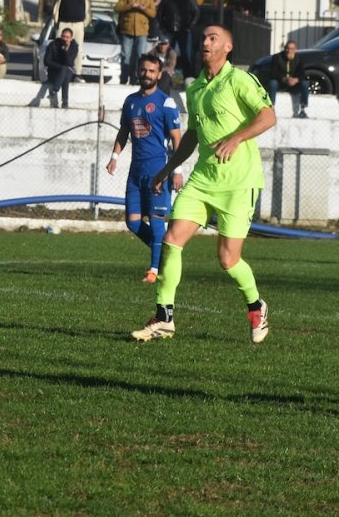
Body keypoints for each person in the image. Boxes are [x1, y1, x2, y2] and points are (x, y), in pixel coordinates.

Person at [132, 24, 276, 344]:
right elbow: (193, 136)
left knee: (227, 260)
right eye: (204, 39)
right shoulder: (196, 87)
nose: (206, 43)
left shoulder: (240, 80)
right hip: (202, 179)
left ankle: (256, 306)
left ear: (228, 47)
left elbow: (268, 117)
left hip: (239, 182)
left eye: (214, 39)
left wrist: (237, 138)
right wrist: (167, 168)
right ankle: (164, 317)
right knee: (171, 240)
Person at [106, 55, 183, 283]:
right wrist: (114, 157)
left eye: (151, 71)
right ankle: (164, 252)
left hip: (158, 171)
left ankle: (154, 270)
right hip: (135, 171)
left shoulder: (166, 103)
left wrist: (177, 171)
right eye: (144, 70)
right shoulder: (130, 101)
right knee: (133, 222)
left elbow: (177, 140)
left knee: (157, 221)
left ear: (159, 75)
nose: (146, 74)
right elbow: (124, 131)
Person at [52, 0, 92, 80]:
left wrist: (86, 20)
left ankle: (77, 73)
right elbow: (56, 4)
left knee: (78, 49)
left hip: (78, 24)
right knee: (59, 48)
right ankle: (59, 71)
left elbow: (88, 6)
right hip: (64, 23)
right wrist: (55, 19)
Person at [115, 0, 156, 85]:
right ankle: (123, 79)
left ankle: (138, 79)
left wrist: (144, 9)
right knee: (125, 56)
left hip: (142, 31)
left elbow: (153, 13)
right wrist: (130, 6)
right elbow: (117, 7)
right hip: (127, 30)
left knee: (140, 56)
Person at [157, 0, 199, 79]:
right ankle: (165, 77)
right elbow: (160, 13)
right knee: (167, 54)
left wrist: (190, 26)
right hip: (169, 30)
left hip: (184, 30)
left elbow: (196, 12)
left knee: (186, 56)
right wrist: (163, 27)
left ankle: (187, 78)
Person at [266, 40, 310, 119]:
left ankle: (303, 109)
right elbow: (273, 73)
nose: (289, 51)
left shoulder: (299, 58)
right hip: (281, 82)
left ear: (295, 50)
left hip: (294, 83)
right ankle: (271, 107)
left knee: (305, 83)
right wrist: (284, 79)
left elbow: (303, 74)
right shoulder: (277, 57)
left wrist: (296, 79)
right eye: (287, 48)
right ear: (284, 48)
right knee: (272, 83)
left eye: (292, 49)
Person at [43, 27, 79, 109]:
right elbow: (46, 61)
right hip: (54, 72)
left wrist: (65, 50)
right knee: (65, 69)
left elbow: (69, 62)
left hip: (67, 73)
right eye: (63, 36)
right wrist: (61, 67)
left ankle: (55, 92)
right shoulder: (53, 44)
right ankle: (64, 102)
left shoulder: (74, 46)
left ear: (71, 38)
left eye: (67, 37)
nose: (65, 39)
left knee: (66, 72)